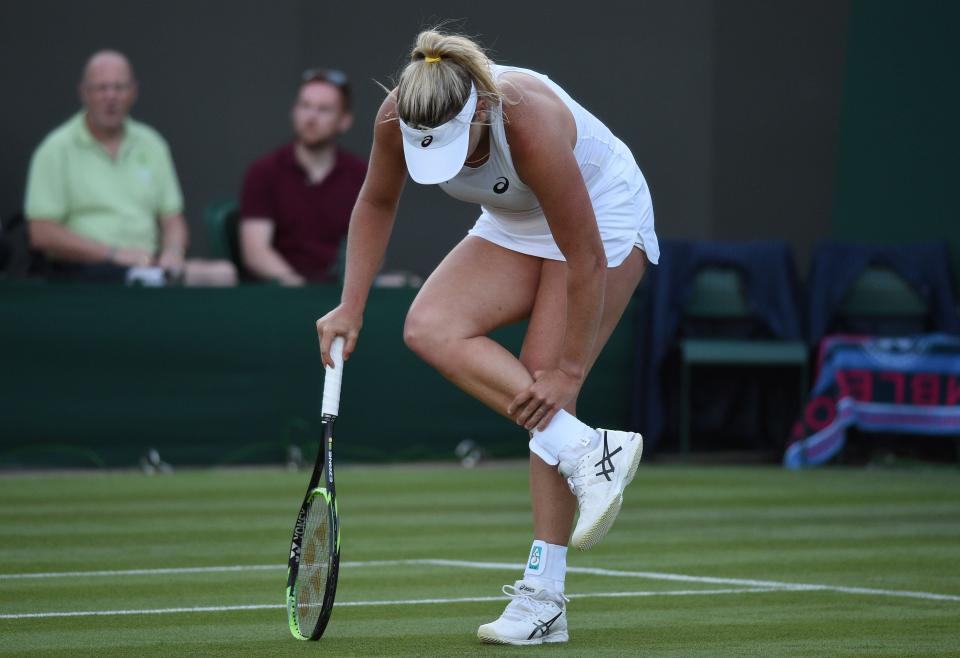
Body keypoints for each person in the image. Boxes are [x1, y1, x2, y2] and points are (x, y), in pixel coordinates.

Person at [315, 29, 660, 645]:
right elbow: (375, 203)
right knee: (428, 326)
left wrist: (568, 373)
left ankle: (544, 600)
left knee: (544, 372)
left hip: (602, 213)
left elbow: (582, 254)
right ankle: (588, 449)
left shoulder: (527, 121)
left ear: (479, 109)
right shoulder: (399, 112)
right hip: (516, 220)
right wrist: (350, 306)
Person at [25, 50, 236, 286]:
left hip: (148, 265)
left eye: (119, 87)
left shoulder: (152, 143)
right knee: (144, 279)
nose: (111, 96)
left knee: (223, 274)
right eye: (101, 88)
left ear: (134, 92)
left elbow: (172, 219)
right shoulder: (55, 149)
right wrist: (114, 255)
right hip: (83, 271)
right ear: (84, 93)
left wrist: (173, 253)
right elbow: (42, 233)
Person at [239, 68, 367, 285]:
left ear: (344, 120)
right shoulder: (264, 171)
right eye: (305, 106)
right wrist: (296, 286)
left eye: (323, 109)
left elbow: (372, 244)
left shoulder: (360, 174)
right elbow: (255, 251)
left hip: (341, 294)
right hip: (280, 295)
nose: (311, 117)